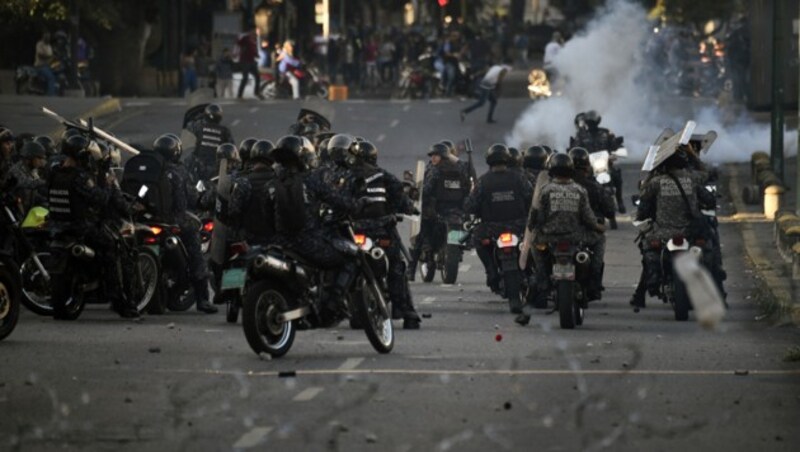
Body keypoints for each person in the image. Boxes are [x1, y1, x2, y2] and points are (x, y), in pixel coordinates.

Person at [264, 135, 361, 326]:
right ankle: (332, 305)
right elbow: (337, 200)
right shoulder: (310, 180)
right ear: (305, 157)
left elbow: (266, 217)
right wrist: (357, 205)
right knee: (351, 257)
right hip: (307, 243)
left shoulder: (272, 184)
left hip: (279, 244)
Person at [47, 134, 140, 318]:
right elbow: (101, 198)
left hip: (56, 227)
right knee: (112, 248)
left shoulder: (55, 172)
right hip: (81, 227)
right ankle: (119, 301)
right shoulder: (79, 177)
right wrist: (106, 183)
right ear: (82, 155)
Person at [519, 153, 605, 325]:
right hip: (574, 237)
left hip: (548, 238)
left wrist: (532, 228)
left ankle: (527, 310)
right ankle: (594, 283)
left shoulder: (545, 190)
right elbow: (588, 217)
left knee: (537, 272)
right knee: (600, 240)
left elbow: (535, 218)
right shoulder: (579, 190)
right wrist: (598, 227)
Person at [348, 140, 421, 329]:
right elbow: (400, 198)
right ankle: (406, 312)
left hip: (352, 231)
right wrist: (410, 208)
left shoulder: (342, 175)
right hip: (381, 230)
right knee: (396, 267)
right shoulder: (381, 175)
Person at [633, 147, 715, 306]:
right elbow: (706, 179)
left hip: (662, 233)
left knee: (647, 247)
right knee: (708, 248)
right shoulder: (692, 179)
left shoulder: (656, 182)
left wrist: (652, 171)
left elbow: (643, 199)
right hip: (689, 232)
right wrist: (693, 154)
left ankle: (647, 286)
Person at [153, 134, 217, 314]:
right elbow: (192, 197)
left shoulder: (154, 169)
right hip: (177, 220)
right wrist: (205, 200)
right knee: (196, 255)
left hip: (152, 219)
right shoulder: (179, 171)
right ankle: (203, 300)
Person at [464, 144, 532, 311]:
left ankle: (490, 270)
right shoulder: (519, 178)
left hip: (491, 229)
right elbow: (530, 198)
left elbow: (470, 205)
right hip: (518, 227)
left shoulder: (483, 181)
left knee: (477, 241)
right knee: (531, 247)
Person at [407, 143, 470, 279]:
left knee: (420, 235)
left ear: (443, 156)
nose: (434, 158)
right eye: (432, 155)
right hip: (456, 212)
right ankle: (458, 249)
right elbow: (468, 187)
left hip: (437, 211)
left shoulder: (435, 170)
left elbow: (427, 190)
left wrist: (416, 194)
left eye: (436, 155)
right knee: (464, 232)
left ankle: (411, 270)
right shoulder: (460, 169)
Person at [569, 147, 614, 301]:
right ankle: (594, 286)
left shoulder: (557, 186)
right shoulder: (594, 187)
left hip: (561, 234)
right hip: (588, 233)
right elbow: (610, 210)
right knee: (600, 242)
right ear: (587, 166)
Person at [228, 140, 275, 245]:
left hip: (249, 240)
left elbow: (233, 211)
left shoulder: (244, 182)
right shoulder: (279, 181)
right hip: (275, 241)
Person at [186, 103, 235, 182]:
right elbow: (231, 148)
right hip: (216, 167)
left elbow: (189, 125)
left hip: (199, 165)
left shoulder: (200, 127)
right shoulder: (224, 131)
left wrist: (200, 117)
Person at [8, 141, 47, 213]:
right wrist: (46, 181)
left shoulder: (33, 171)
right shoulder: (16, 170)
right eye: (39, 158)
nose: (41, 161)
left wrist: (46, 200)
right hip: (14, 213)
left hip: (27, 212)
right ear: (29, 158)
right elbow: (28, 183)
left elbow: (33, 194)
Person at [236, 27, 264, 100]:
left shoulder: (254, 40)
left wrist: (256, 54)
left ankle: (256, 92)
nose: (254, 34)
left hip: (251, 61)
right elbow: (239, 43)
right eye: (253, 33)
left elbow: (253, 50)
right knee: (245, 77)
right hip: (245, 61)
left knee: (257, 76)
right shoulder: (246, 38)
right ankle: (239, 94)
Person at [35, 31, 58, 96]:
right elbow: (40, 55)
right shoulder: (40, 44)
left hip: (48, 66)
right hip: (40, 66)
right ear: (43, 36)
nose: (48, 38)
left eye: (49, 36)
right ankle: (51, 94)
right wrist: (50, 57)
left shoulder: (49, 46)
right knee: (51, 77)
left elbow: (52, 56)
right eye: (46, 36)